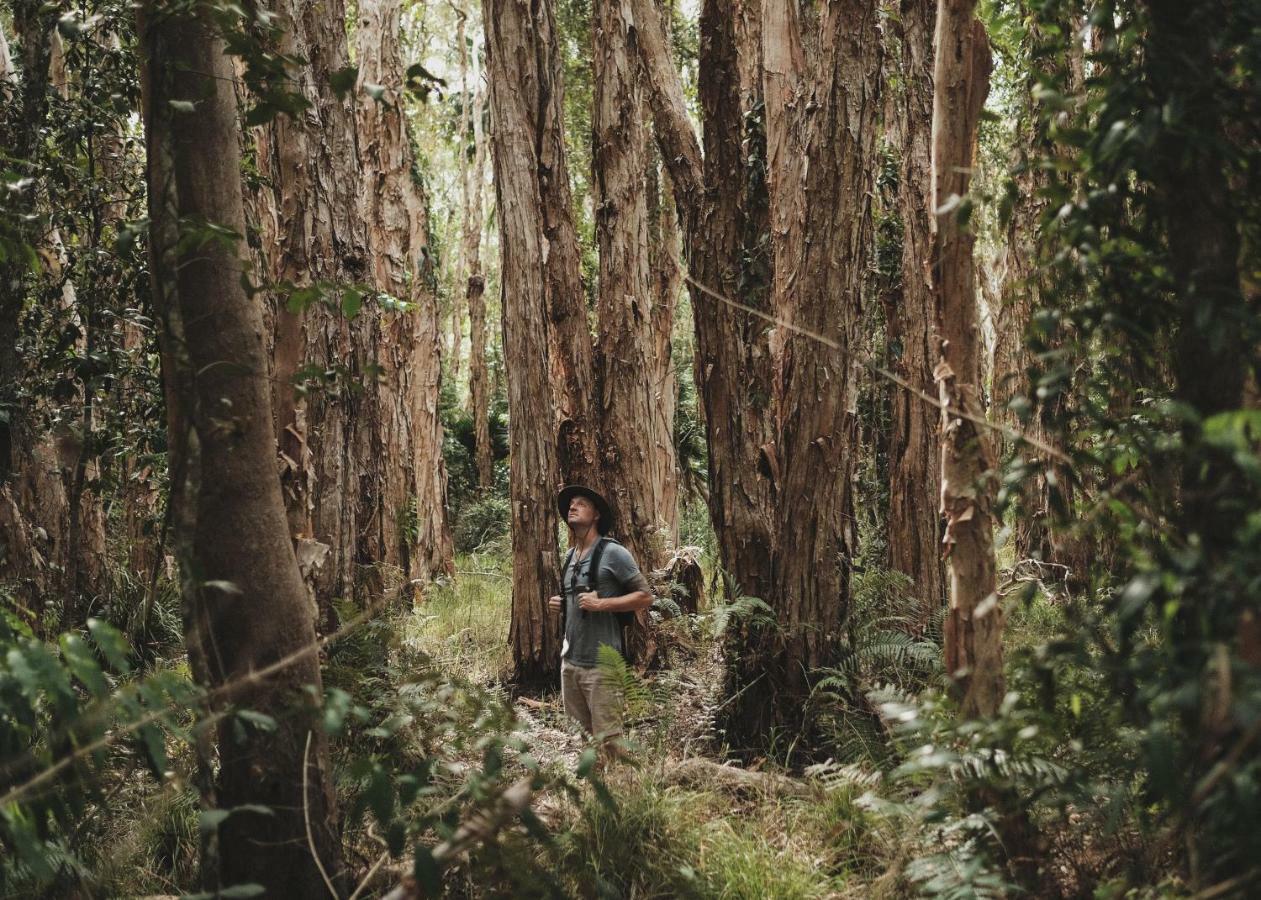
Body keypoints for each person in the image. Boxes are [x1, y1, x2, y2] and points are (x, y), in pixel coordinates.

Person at [547, 485, 653, 754]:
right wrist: (561, 604)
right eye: (571, 504)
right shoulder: (571, 556)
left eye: (581, 503)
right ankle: (595, 790)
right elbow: (577, 601)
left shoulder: (613, 553)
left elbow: (645, 597)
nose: (572, 507)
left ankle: (619, 790)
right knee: (584, 741)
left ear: (596, 515)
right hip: (570, 664)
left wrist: (601, 604)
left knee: (610, 742)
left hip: (602, 666)